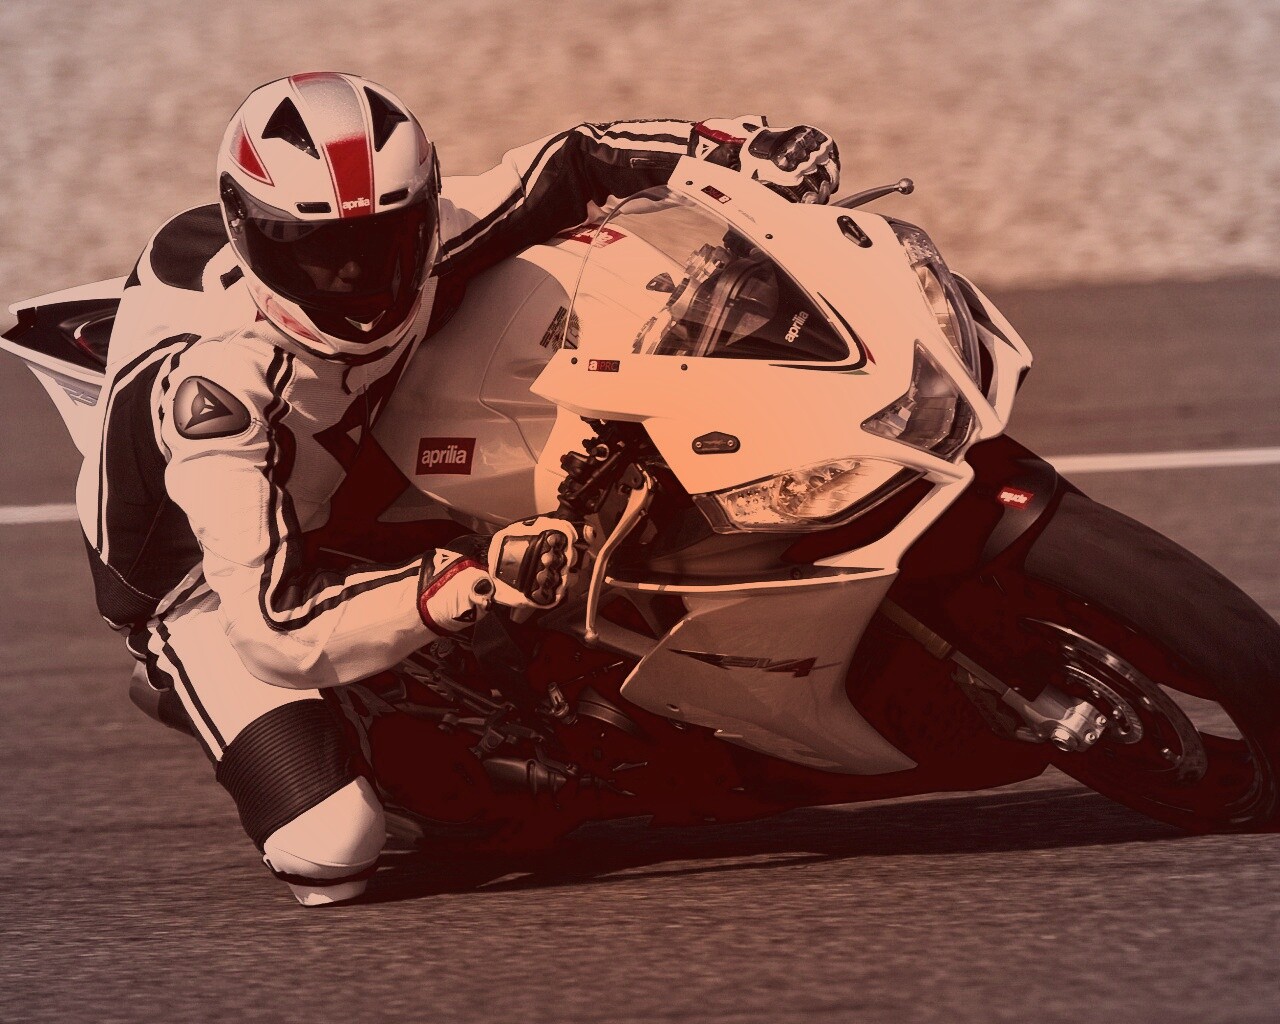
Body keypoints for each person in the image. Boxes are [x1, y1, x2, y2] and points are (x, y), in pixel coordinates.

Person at [76, 72, 841, 906]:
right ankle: (241, 700)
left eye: (384, 242)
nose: (355, 280)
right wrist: (450, 584)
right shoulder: (217, 395)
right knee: (329, 854)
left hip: (354, 454)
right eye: (316, 254)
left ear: (422, 209)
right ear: (250, 236)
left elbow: (575, 160)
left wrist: (736, 146)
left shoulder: (435, 235)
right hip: (210, 580)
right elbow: (274, 628)